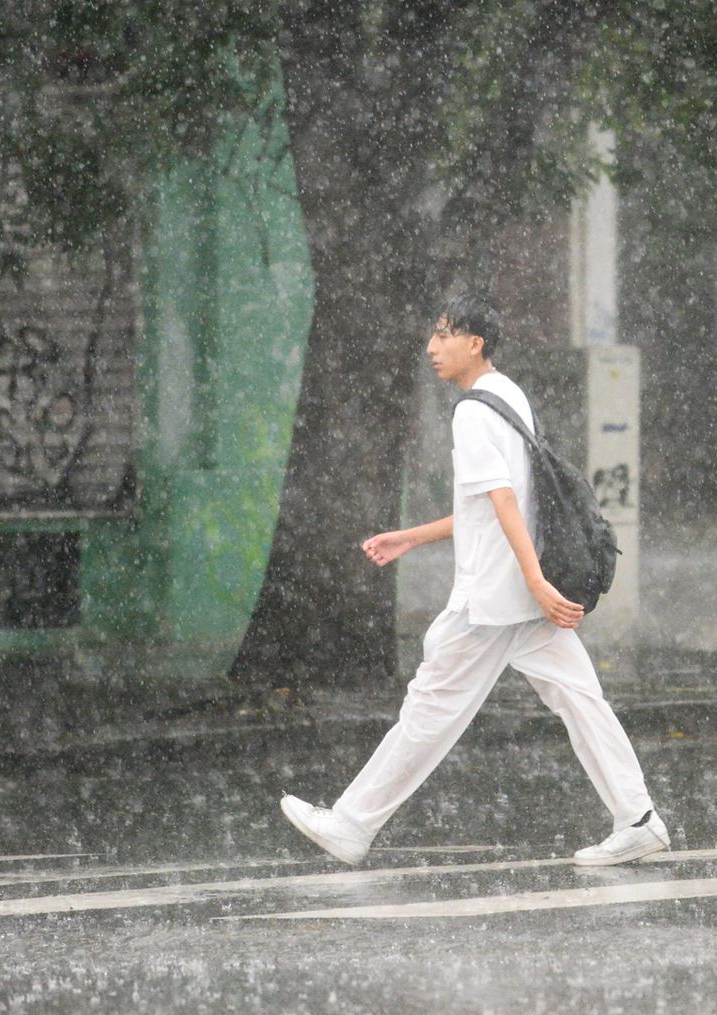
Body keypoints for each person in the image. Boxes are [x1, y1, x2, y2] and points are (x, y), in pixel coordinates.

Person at [280, 293, 670, 867]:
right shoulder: (510, 397)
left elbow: (506, 501)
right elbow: (489, 509)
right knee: (583, 701)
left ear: (475, 344)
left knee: (429, 713)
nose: (432, 349)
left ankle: (350, 825)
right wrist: (412, 536)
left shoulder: (470, 413)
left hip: (491, 601)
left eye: (444, 336)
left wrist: (534, 582)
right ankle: (638, 819)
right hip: (523, 599)